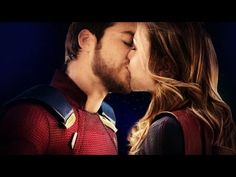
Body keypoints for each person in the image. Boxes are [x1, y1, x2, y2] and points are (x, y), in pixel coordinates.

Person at [0, 22, 137, 155]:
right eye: (127, 41)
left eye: (139, 49)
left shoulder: (109, 125)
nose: (136, 57)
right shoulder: (33, 118)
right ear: (86, 40)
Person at [127, 22, 236, 155]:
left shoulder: (164, 128)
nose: (126, 54)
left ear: (165, 66)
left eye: (134, 47)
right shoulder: (214, 125)